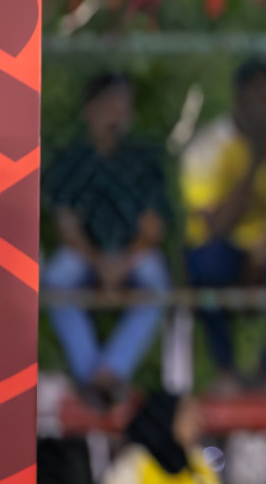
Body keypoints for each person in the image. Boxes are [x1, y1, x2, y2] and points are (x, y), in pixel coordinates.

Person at [182, 58, 266, 392]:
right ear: (240, 95)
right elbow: (214, 224)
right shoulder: (209, 147)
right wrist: (256, 160)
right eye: (260, 93)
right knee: (203, 264)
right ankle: (226, 371)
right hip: (228, 246)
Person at [41, 73, 173, 404]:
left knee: (157, 283)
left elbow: (153, 228)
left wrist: (121, 263)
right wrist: (100, 263)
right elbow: (67, 226)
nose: (117, 115)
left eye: (124, 107)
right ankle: (93, 377)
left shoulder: (142, 162)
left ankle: (109, 374)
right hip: (86, 255)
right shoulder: (72, 161)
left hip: (133, 254)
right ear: (90, 110)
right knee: (55, 279)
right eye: (110, 106)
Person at [103, 391, 222, 484]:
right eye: (189, 416)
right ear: (167, 418)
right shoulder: (135, 461)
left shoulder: (201, 461)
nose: (198, 423)